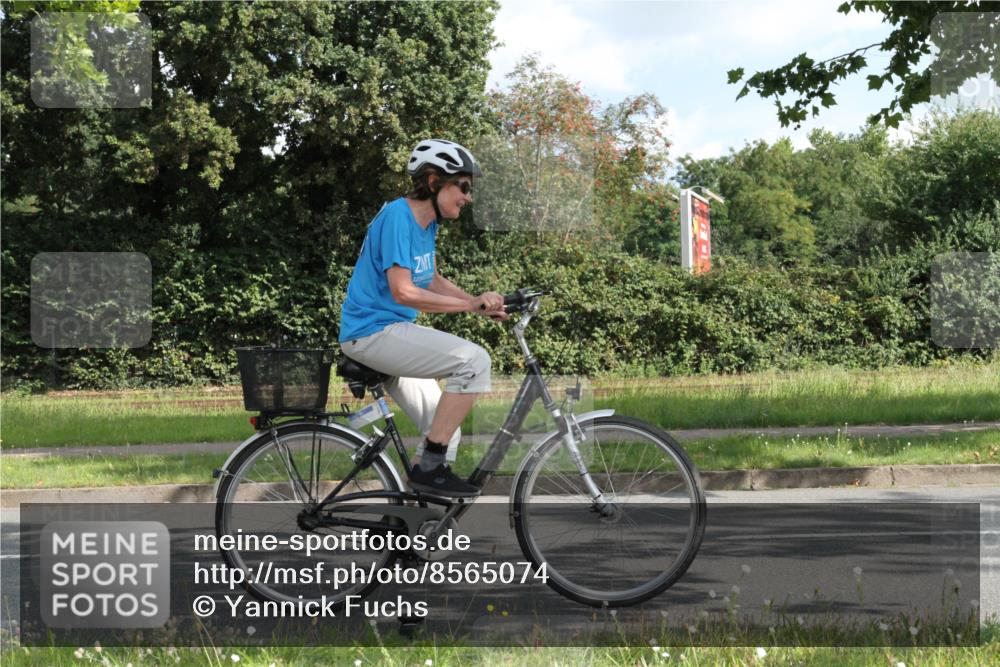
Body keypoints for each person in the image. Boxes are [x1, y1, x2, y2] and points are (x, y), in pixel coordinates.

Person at [338, 139, 506, 497]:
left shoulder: (426, 224)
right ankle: (428, 470)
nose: (468, 197)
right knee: (474, 361)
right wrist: (468, 305)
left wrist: (479, 304)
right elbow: (404, 292)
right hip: (373, 333)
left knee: (444, 430)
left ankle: (407, 527)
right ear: (433, 183)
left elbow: (428, 278)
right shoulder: (398, 216)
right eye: (462, 186)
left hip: (391, 332)